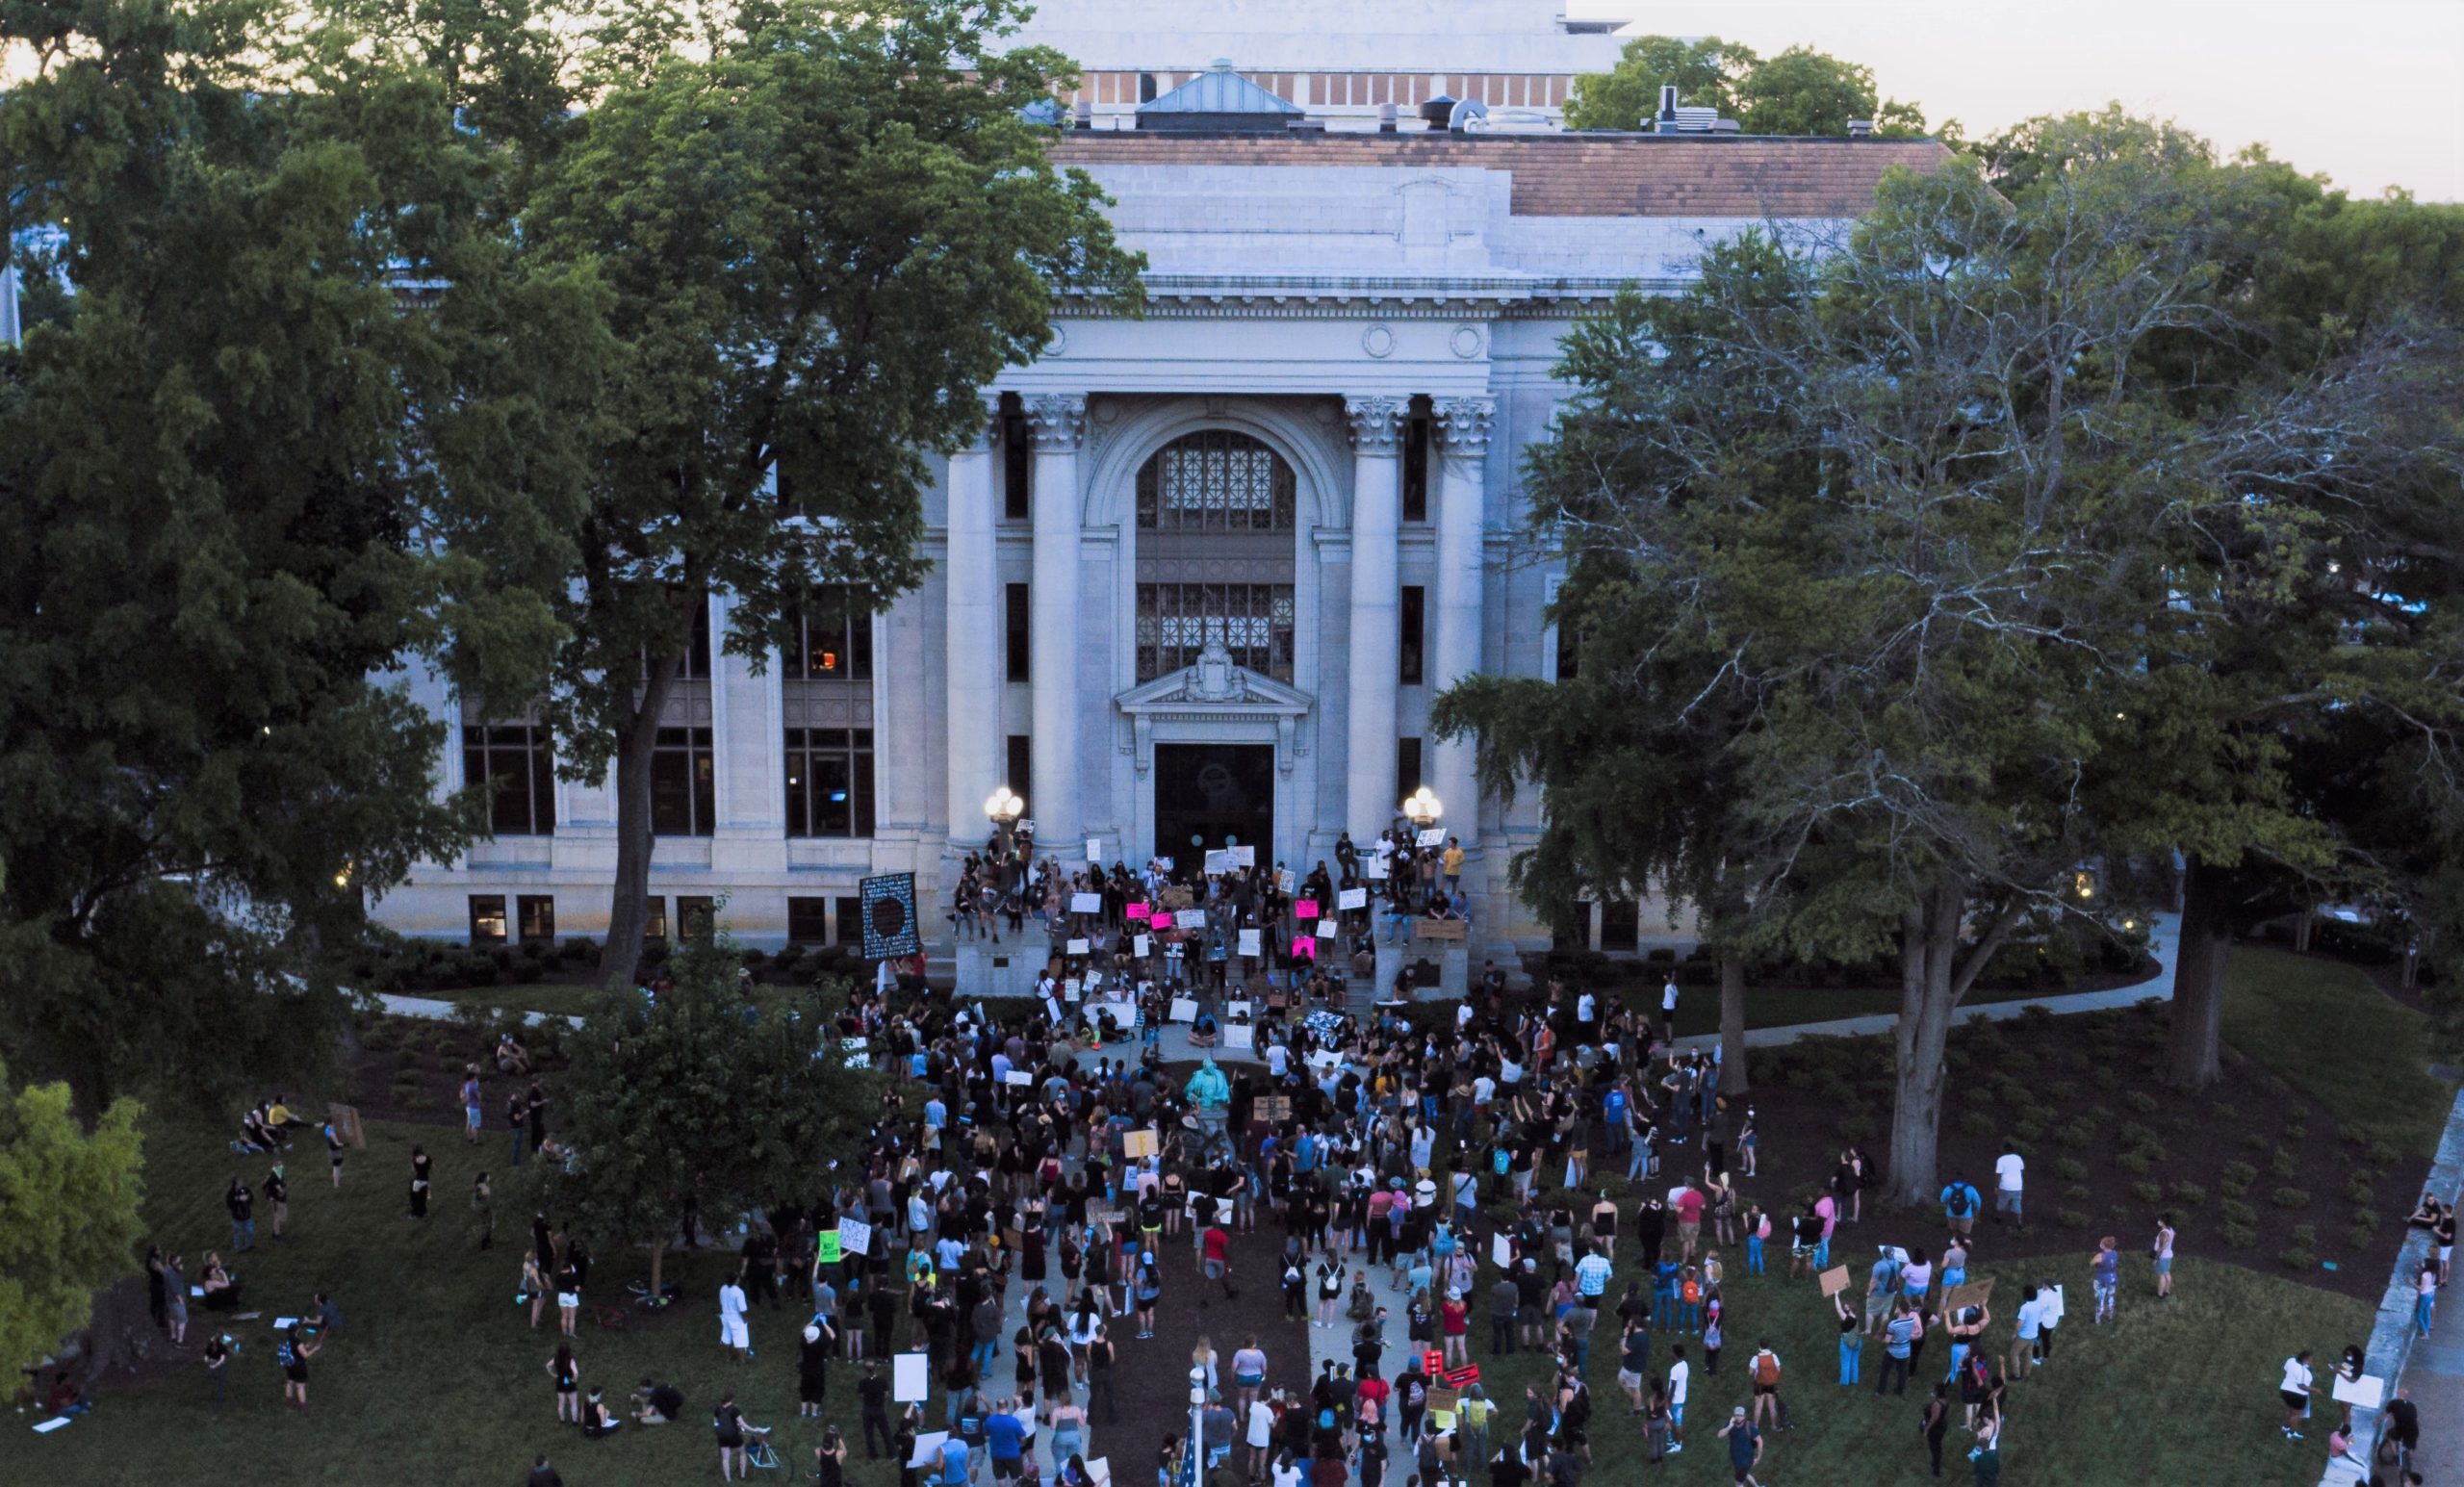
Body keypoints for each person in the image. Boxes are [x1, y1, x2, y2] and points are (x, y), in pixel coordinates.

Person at [276, 1320, 321, 1408]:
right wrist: (315, 1349)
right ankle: (303, 1405)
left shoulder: (288, 1339)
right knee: (300, 1385)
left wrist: (305, 1347)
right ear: (297, 1330)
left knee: (290, 1382)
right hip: (299, 1365)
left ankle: (288, 1401)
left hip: (289, 1364)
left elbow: (294, 1350)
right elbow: (306, 1355)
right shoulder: (297, 1342)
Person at [1715, 1405, 1762, 1486]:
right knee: (1744, 1474)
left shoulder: (1749, 1426)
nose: (1738, 1417)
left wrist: (1758, 1457)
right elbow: (1719, 1435)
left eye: (1740, 1415)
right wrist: (1729, 1426)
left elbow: (1760, 1441)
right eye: (1737, 1415)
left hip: (1746, 1459)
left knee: (1738, 1482)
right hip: (1735, 1457)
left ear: (1744, 1416)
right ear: (1734, 1415)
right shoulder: (1730, 1423)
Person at [2280, 1348, 2313, 1440]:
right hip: (2298, 1396)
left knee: (2290, 1410)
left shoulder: (2290, 1361)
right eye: (2310, 1360)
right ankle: (2291, 1433)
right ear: (2305, 1360)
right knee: (2296, 1414)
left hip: (2285, 1391)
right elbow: (2302, 1386)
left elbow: (2286, 1370)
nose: (2311, 1362)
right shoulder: (2307, 1373)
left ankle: (2285, 1427)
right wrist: (2315, 1390)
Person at [1920, 1382, 1951, 1477]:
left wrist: (1926, 1430)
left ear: (1937, 1391)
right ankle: (1935, 1462)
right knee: (1937, 1445)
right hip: (1941, 1426)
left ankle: (1936, 1471)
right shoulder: (1945, 1400)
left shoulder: (1937, 1404)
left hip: (1935, 1429)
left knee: (1935, 1449)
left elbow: (1934, 1418)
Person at [721, 1271, 752, 1362]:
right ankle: (742, 1360)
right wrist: (745, 1319)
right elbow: (742, 1309)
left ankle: (727, 1357)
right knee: (740, 1341)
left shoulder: (723, 1288)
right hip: (736, 1320)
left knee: (726, 1338)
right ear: (736, 1280)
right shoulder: (738, 1292)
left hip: (725, 1317)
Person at [550, 1343, 581, 1423]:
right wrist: (574, 1380)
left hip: (560, 1382)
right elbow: (576, 1373)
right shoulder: (571, 1360)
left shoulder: (556, 1359)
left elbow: (548, 1366)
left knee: (561, 1403)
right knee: (573, 1403)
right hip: (569, 1383)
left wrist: (554, 1375)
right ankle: (575, 1421)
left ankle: (562, 1419)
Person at [1991, 1146, 2023, 1223]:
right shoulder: (2018, 1158)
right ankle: (2019, 1223)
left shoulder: (2001, 1159)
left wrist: (1996, 1186)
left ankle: (1999, 1218)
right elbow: (2021, 1170)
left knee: (2002, 1202)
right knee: (2017, 1204)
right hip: (2018, 1186)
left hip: (2005, 1186)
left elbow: (1998, 1174)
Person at [203, 1332, 231, 1408]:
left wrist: (210, 1363)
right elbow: (222, 1360)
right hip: (219, 1367)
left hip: (212, 1366)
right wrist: (215, 1365)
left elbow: (206, 1358)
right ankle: (219, 1403)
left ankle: (211, 1399)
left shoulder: (210, 1346)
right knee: (220, 1385)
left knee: (214, 1382)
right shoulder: (222, 1347)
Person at [2151, 1215, 2176, 1299]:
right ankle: (2167, 1291)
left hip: (2162, 1257)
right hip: (2169, 1255)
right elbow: (2173, 1236)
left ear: (2163, 1222)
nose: (2158, 1221)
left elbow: (2162, 1246)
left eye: (2160, 1220)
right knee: (2167, 1272)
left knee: (2162, 1275)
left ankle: (2160, 1294)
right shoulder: (2171, 1229)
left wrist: (2156, 1258)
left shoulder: (2163, 1233)